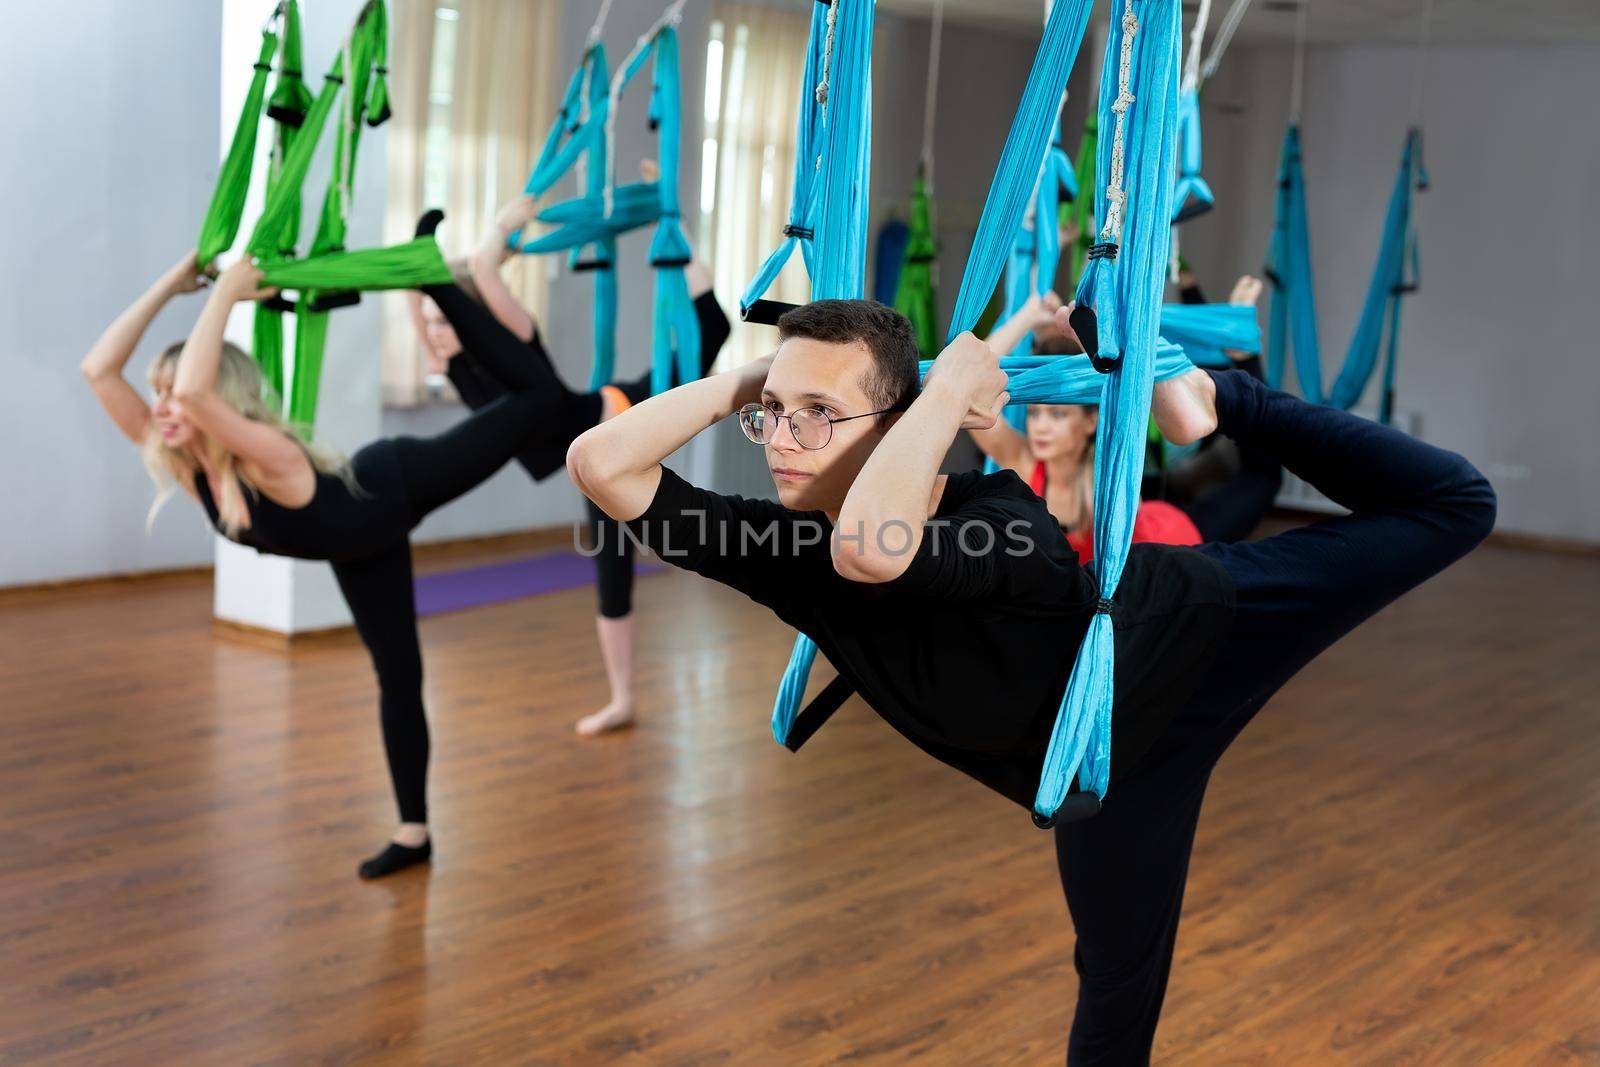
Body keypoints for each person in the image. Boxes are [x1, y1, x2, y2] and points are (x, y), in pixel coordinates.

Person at [567, 298, 1495, 1062]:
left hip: (1197, 632)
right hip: (1105, 770)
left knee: (1455, 504)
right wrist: (748, 381)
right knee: (1117, 986)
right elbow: (598, 462)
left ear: (898, 424)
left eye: (817, 412)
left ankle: (1218, 397)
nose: (781, 436)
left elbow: (873, 549)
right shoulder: (788, 548)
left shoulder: (998, 516)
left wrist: (938, 402)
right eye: (777, 410)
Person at [82, 247, 570, 880]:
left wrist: (227, 291)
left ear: (217, 398)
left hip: (394, 481)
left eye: (172, 395)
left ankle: (442, 283)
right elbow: (99, 369)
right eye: (157, 395)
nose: (163, 408)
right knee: (399, 678)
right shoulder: (187, 461)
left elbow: (200, 394)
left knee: (540, 396)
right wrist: (172, 283)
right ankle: (413, 833)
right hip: (360, 544)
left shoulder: (269, 457)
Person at [407, 192, 730, 736]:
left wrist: (500, 230)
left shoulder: (512, 338)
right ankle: (622, 700)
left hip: (623, 415)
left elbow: (483, 276)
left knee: (709, 330)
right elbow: (421, 307)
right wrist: (419, 291)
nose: (437, 329)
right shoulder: (456, 365)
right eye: (434, 321)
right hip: (597, 460)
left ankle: (675, 225)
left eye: (446, 318)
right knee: (612, 574)